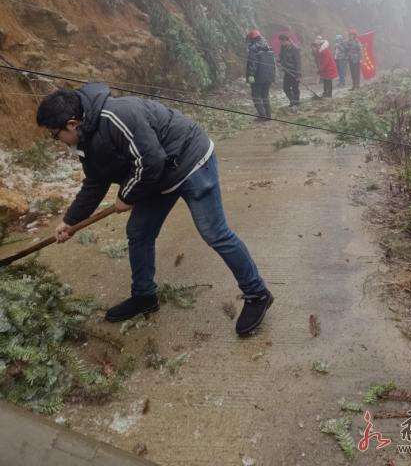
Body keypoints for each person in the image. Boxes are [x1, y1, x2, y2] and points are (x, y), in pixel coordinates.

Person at [36, 83, 273, 335]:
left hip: (190, 160)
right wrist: (70, 221)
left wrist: (126, 196)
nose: (57, 140)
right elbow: (95, 181)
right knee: (139, 232)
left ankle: (257, 293)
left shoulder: (117, 117)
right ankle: (144, 296)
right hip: (158, 175)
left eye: (54, 134)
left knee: (214, 232)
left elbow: (150, 161)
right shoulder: (86, 138)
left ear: (72, 124)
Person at [245, 29, 276, 120]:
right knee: (265, 96)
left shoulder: (253, 49)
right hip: (269, 77)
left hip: (257, 77)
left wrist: (251, 79)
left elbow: (252, 65)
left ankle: (262, 116)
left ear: (252, 39)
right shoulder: (268, 48)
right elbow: (273, 64)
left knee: (256, 96)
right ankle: (268, 115)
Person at [278, 33, 301, 108]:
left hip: (294, 71)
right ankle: (292, 100)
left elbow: (298, 62)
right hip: (287, 71)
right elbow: (281, 56)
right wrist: (279, 61)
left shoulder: (295, 48)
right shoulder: (283, 47)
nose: (281, 43)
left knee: (295, 88)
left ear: (285, 40)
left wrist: (298, 73)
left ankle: (297, 103)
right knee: (285, 87)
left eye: (281, 42)